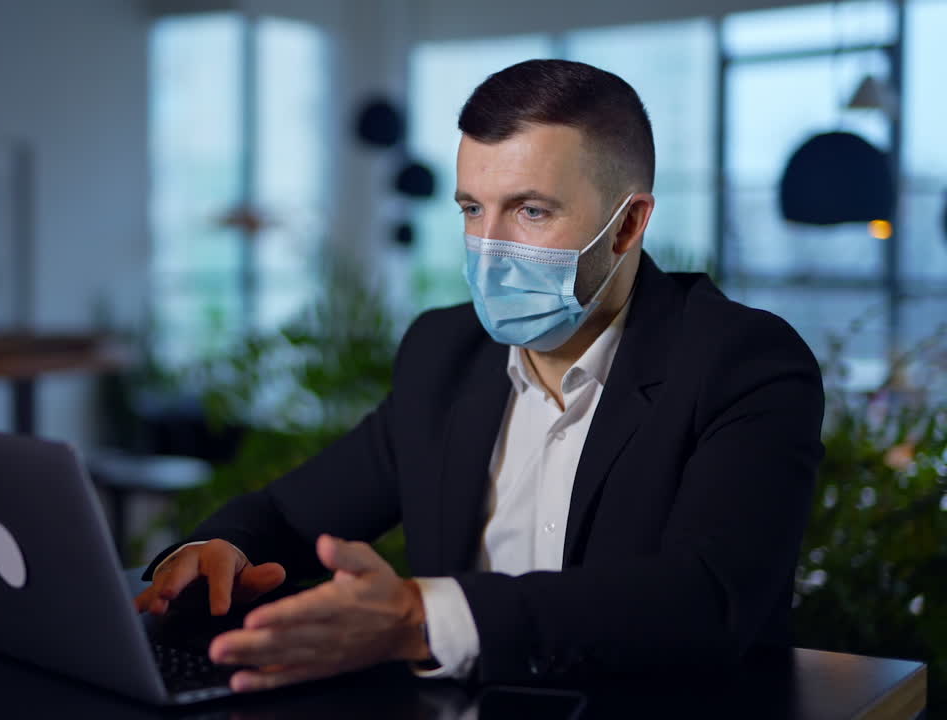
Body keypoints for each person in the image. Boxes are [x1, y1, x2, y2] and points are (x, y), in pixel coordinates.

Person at [134, 59, 824, 693]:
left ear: (627, 226)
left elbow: (706, 601)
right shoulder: (445, 352)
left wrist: (421, 617)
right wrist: (216, 550)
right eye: (472, 209)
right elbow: (289, 514)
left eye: (531, 211)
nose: (489, 248)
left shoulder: (743, 362)